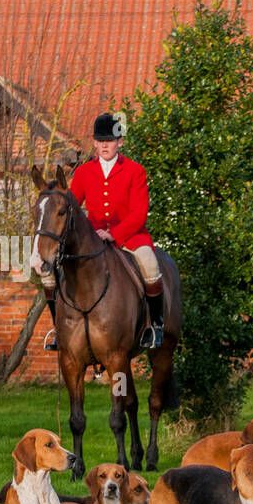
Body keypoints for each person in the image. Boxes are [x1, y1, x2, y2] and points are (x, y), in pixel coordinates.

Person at [40, 112, 164, 350]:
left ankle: (155, 325)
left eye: (110, 140)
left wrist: (114, 234)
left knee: (150, 263)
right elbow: (72, 207)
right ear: (95, 143)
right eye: (100, 140)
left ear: (120, 142)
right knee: (47, 271)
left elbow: (140, 212)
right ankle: (60, 329)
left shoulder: (135, 171)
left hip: (129, 237)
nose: (105, 145)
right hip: (93, 238)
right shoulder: (85, 172)